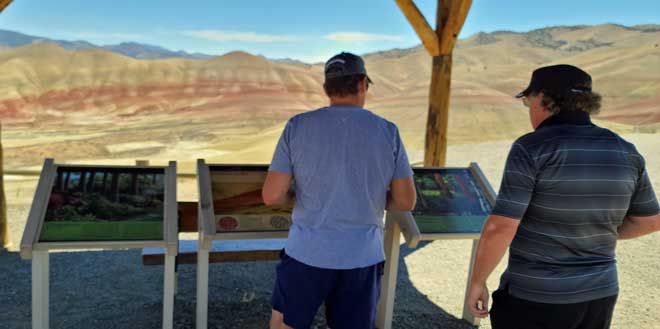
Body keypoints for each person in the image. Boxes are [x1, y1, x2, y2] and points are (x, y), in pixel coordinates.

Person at [466, 64, 660, 329]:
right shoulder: (626, 150)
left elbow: (501, 226)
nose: (529, 109)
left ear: (544, 99)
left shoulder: (531, 147)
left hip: (536, 296)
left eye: (528, 101)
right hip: (600, 294)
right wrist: (590, 232)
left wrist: (478, 281)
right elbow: (650, 221)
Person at [262, 52, 417, 329]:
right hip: (362, 256)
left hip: (306, 252)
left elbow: (272, 195)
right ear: (361, 84)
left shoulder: (297, 126)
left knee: (285, 322)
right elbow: (405, 201)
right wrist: (372, 199)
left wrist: (297, 195)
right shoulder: (388, 131)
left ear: (326, 89)